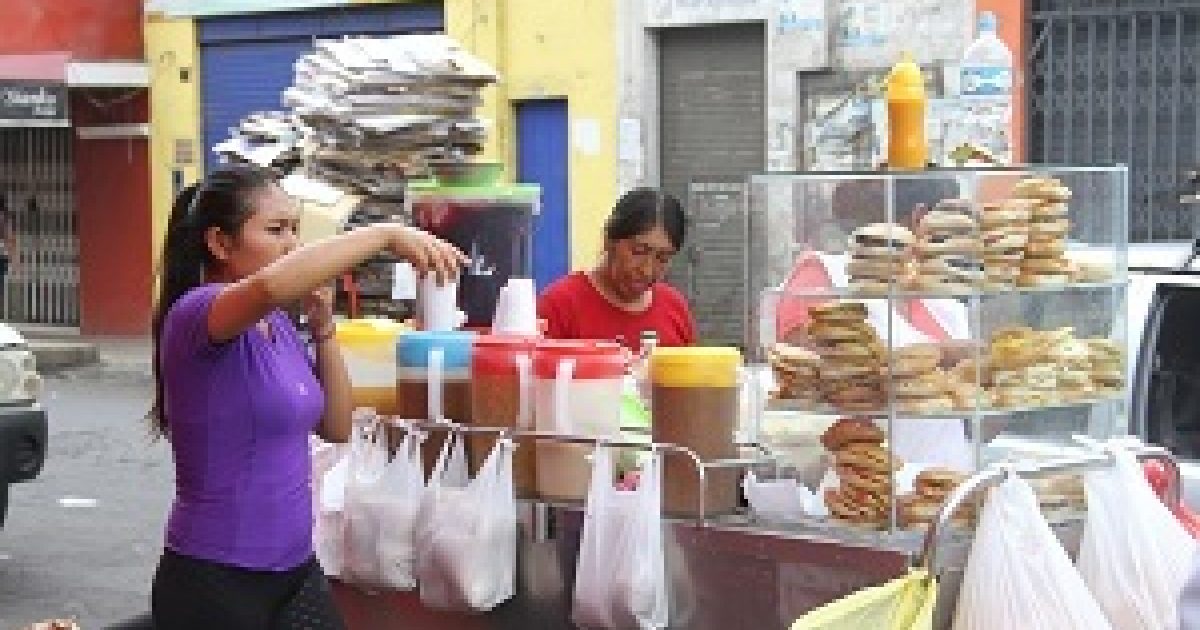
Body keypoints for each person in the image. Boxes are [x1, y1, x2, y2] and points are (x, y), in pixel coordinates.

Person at [149, 165, 464, 630]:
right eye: (276, 230)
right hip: (214, 577)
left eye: (295, 229)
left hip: (295, 568)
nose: (291, 244)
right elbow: (270, 284)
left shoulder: (275, 324)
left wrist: (323, 328)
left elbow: (336, 426)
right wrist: (385, 234)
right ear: (220, 243)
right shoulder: (196, 314)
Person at [774, 177, 975, 471]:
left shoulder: (944, 300)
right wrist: (943, 354)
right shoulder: (825, 276)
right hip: (861, 484)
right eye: (951, 230)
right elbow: (805, 373)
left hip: (952, 489)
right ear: (919, 218)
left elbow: (972, 424)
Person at [538, 187, 696, 353]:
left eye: (662, 258)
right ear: (609, 240)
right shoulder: (560, 306)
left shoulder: (675, 307)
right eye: (638, 251)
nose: (647, 270)